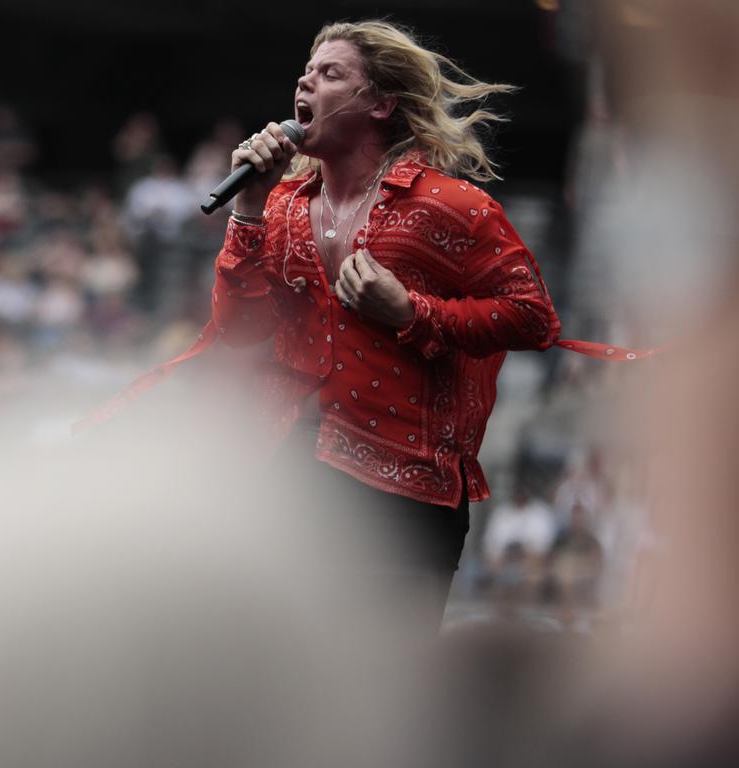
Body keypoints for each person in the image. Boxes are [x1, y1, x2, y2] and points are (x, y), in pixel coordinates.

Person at [80, 20, 640, 631]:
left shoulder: (449, 206)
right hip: (291, 471)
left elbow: (533, 318)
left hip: (405, 493)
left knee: (387, 694)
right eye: (305, 73)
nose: (306, 81)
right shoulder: (282, 206)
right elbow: (239, 328)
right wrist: (246, 209)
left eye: (330, 73)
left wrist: (412, 312)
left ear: (379, 104)